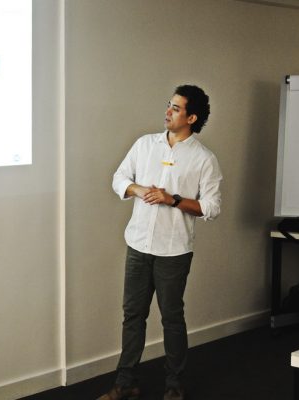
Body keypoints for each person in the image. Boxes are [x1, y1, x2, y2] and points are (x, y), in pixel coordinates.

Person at [98, 85, 222, 400]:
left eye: (176, 108)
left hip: (173, 251)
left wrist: (172, 199)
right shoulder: (145, 145)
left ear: (191, 118)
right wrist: (138, 190)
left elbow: (211, 208)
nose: (168, 111)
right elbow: (118, 178)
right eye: (169, 105)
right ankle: (126, 384)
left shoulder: (204, 158)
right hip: (138, 246)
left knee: (172, 320)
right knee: (133, 316)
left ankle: (174, 387)